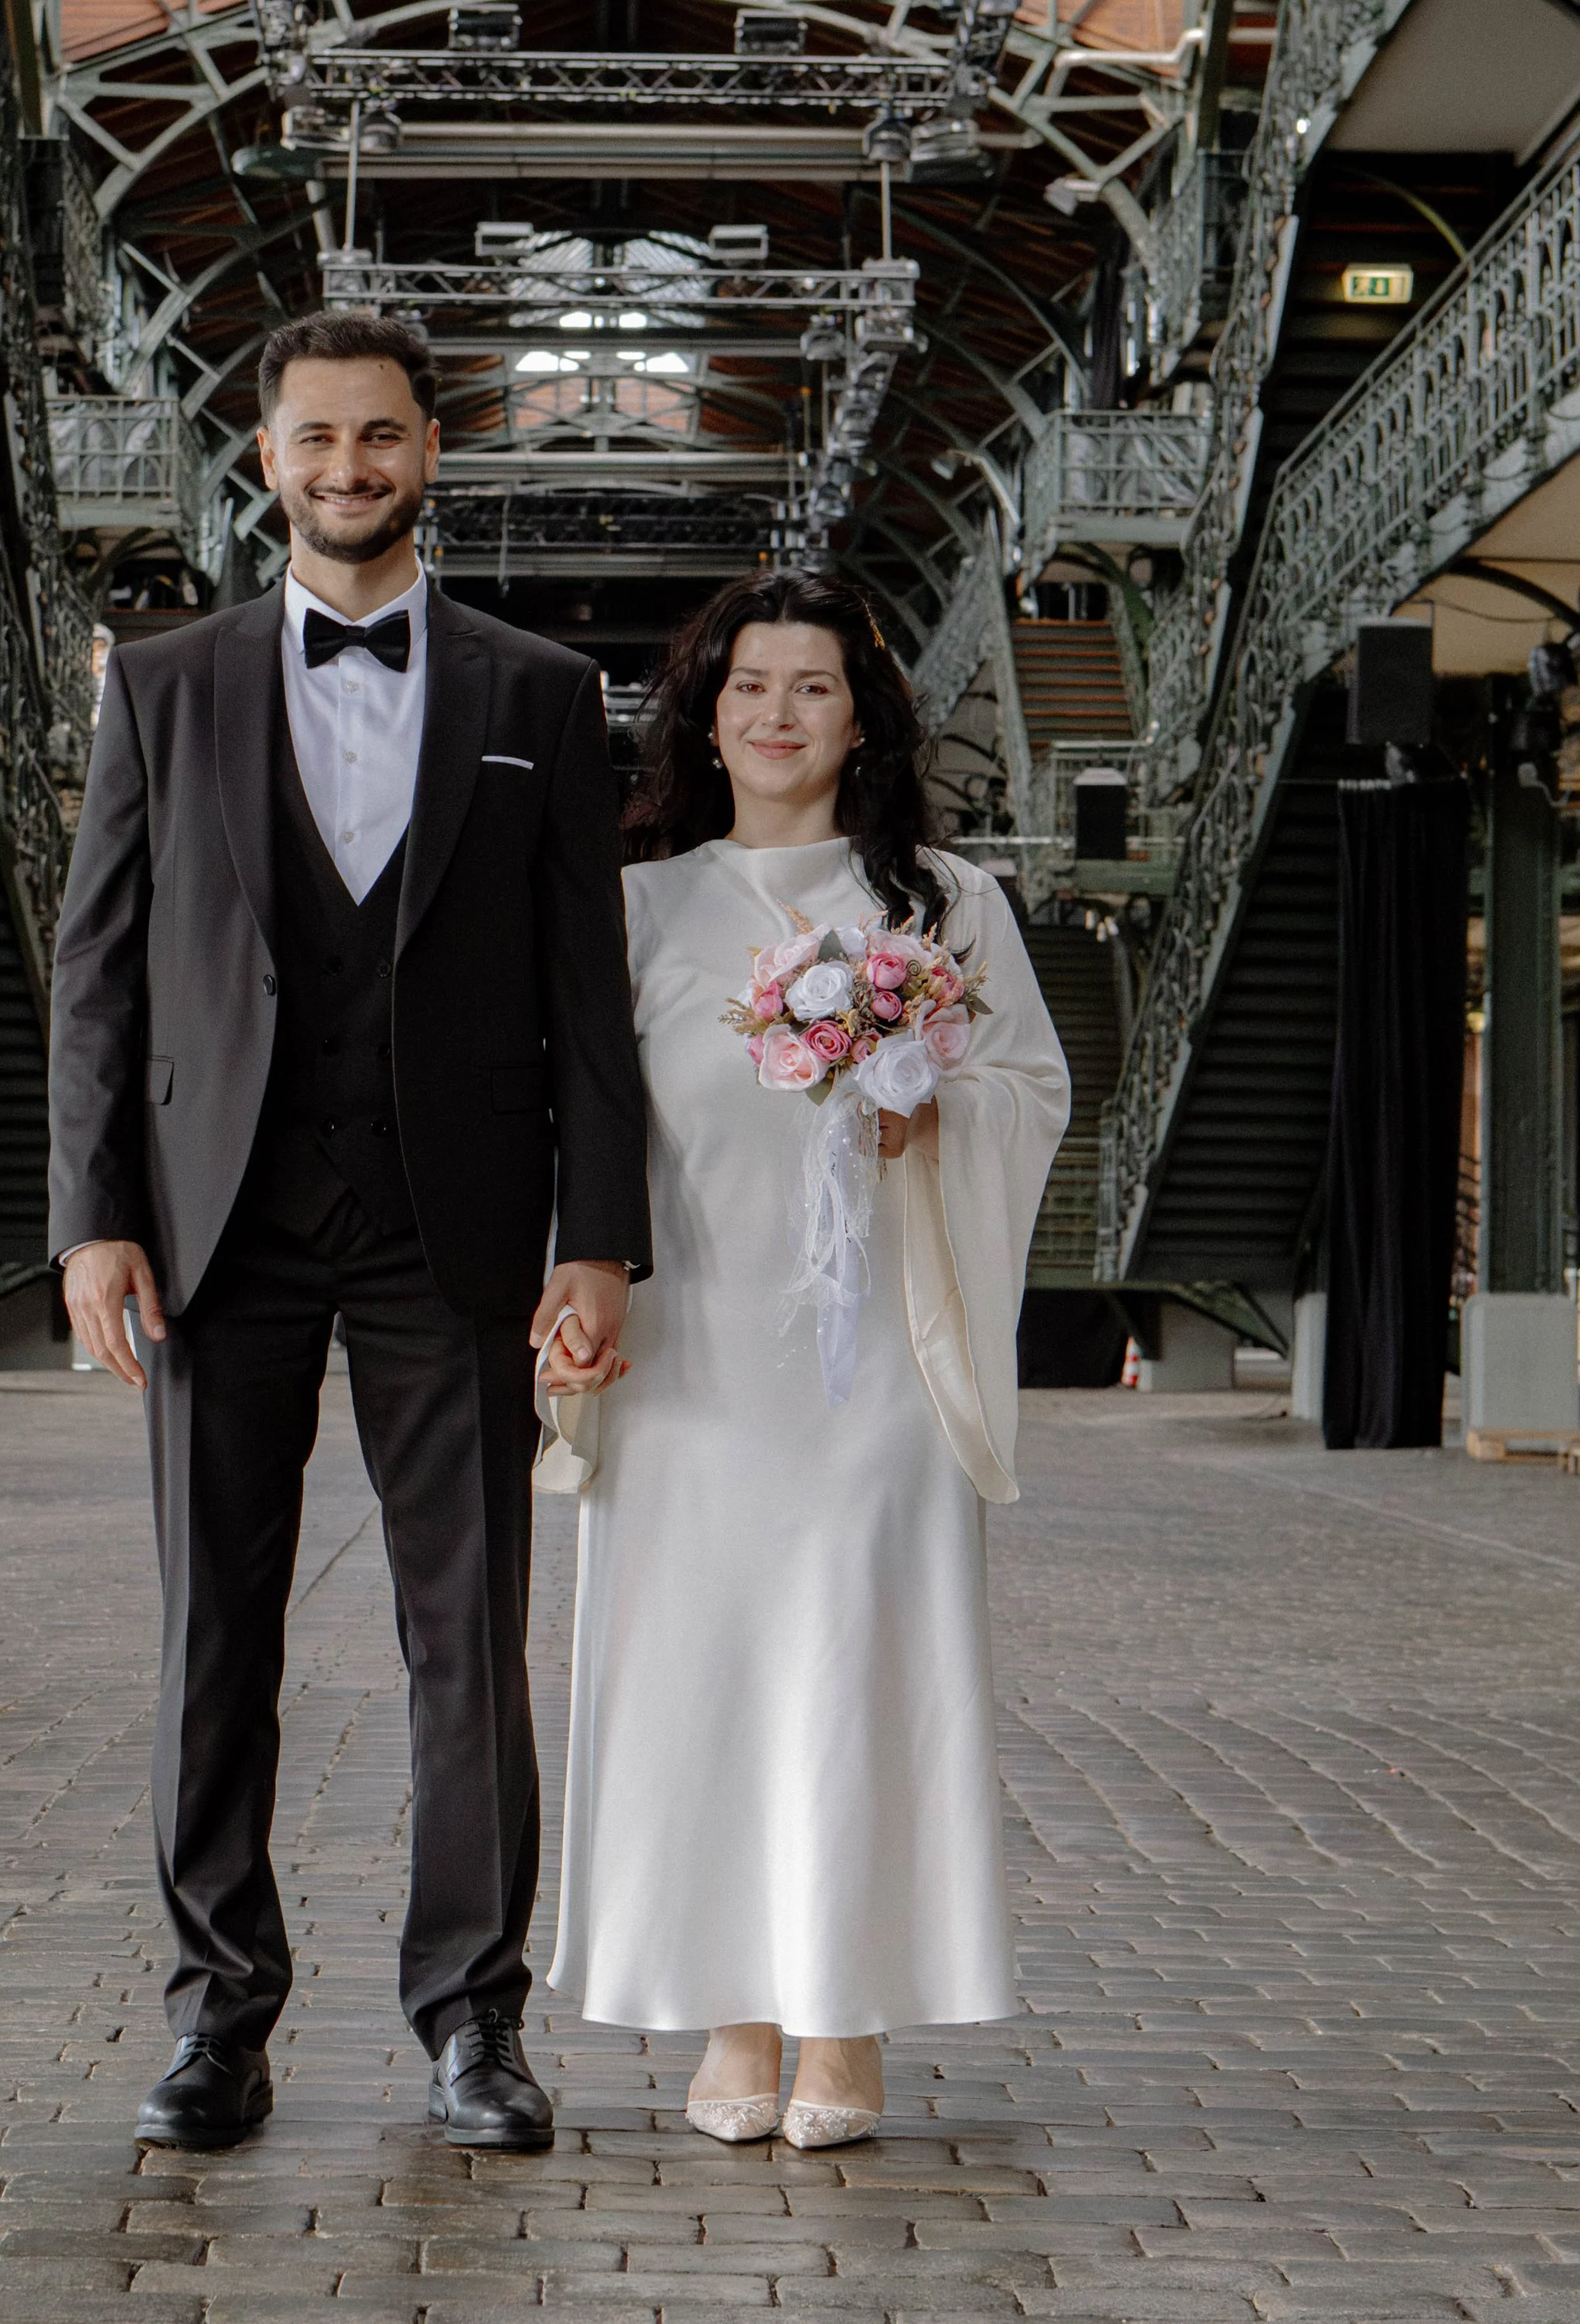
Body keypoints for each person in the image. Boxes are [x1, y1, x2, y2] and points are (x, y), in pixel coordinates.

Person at [48, 307, 650, 2156]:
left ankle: (472, 2022)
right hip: (209, 1224)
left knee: (467, 1639)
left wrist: (597, 1232)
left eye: (379, 435)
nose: (347, 468)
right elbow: (98, 970)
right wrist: (90, 1220)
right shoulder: (162, 683)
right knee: (212, 1635)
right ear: (268, 456)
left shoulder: (540, 694)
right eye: (314, 438)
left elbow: (587, 990)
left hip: (451, 1227)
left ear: (429, 452)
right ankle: (214, 2022)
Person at [544, 570, 1068, 2149]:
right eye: (750, 685)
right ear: (706, 718)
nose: (779, 713)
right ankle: (733, 2012)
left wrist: (926, 1106)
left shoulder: (947, 905)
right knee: (701, 1674)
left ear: (863, 720)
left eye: (814, 686)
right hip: (691, 1357)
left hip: (877, 1365)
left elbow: (1031, 1089)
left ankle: (842, 2025)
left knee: (857, 1672)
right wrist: (573, 1292)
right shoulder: (635, 904)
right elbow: (583, 1127)